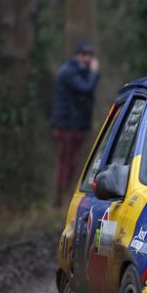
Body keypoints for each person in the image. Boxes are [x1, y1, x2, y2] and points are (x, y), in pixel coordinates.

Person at [51, 38, 100, 207]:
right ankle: (61, 200)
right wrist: (94, 73)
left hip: (75, 125)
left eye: (90, 55)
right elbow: (86, 89)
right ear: (77, 55)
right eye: (84, 54)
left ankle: (65, 199)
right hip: (67, 126)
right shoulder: (70, 72)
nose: (87, 58)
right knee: (66, 164)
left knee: (71, 163)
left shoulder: (78, 72)